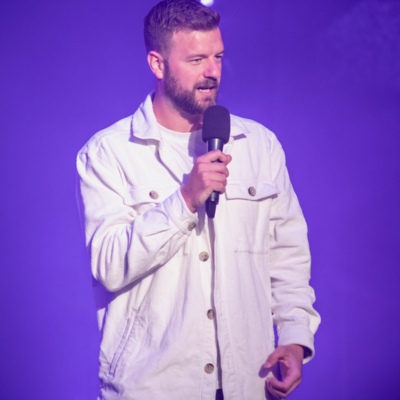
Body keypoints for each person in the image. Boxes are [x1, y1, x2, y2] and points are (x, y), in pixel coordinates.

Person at [76, 0, 321, 399]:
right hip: (155, 386)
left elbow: (287, 255)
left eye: (218, 57)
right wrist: (186, 199)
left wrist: (295, 338)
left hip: (248, 383)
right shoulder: (109, 153)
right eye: (196, 60)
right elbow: (109, 265)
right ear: (157, 64)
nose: (212, 72)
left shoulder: (258, 145)